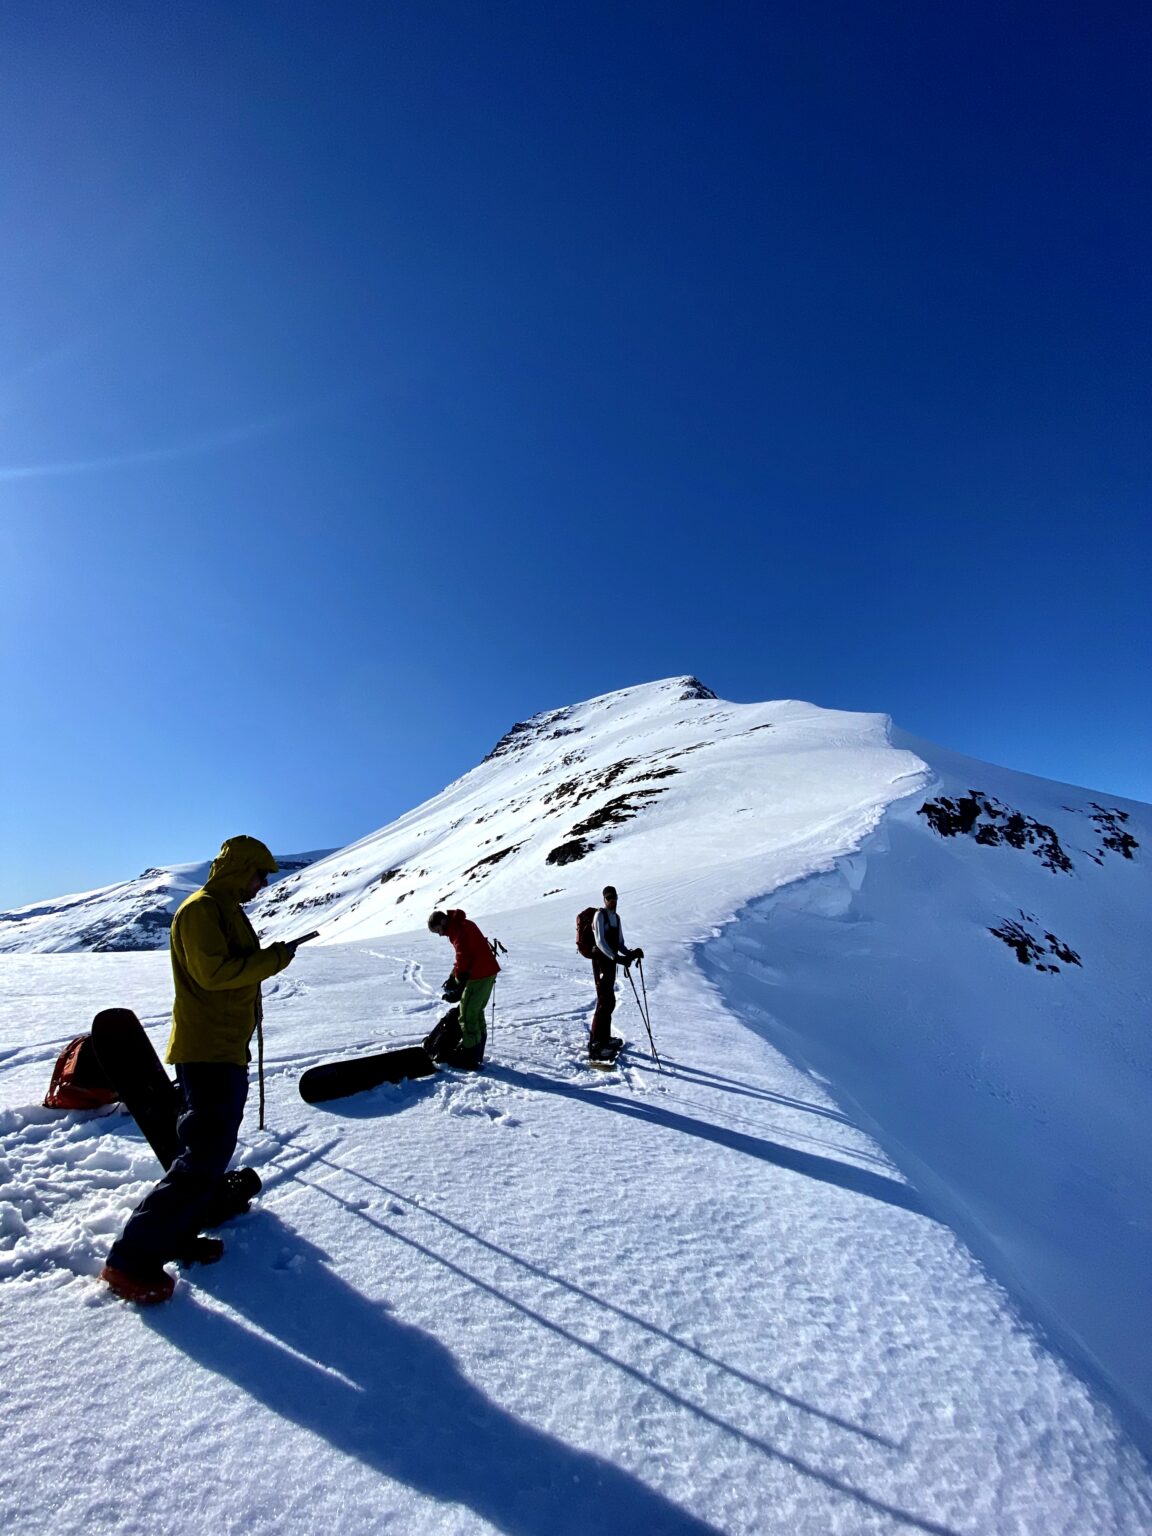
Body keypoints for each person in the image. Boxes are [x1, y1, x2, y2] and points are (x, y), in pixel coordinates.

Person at [101, 836, 303, 1304]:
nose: (263, 883)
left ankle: (175, 1234)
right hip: (207, 1051)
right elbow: (214, 973)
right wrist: (272, 960)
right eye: (259, 873)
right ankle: (129, 1260)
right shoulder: (201, 910)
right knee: (200, 1159)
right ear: (240, 869)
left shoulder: (227, 910)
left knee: (208, 1153)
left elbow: (231, 968)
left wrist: (268, 958)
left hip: (224, 1049)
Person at [426, 909, 500, 1069]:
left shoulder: (457, 930)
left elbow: (464, 957)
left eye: (438, 930)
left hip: (479, 974)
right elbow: (463, 957)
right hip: (487, 971)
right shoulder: (461, 925)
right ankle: (476, 1050)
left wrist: (458, 984)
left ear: (443, 922)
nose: (439, 934)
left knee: (467, 1014)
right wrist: (454, 976)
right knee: (476, 1011)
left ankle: (470, 1055)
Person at [588, 885, 643, 1060]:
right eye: (609, 898)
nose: (612, 901)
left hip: (611, 964)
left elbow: (619, 943)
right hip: (601, 964)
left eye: (614, 897)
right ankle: (596, 1044)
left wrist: (630, 953)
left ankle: (605, 1038)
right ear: (604, 899)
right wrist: (615, 958)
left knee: (609, 1001)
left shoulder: (616, 918)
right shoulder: (600, 915)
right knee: (604, 1001)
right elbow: (600, 942)